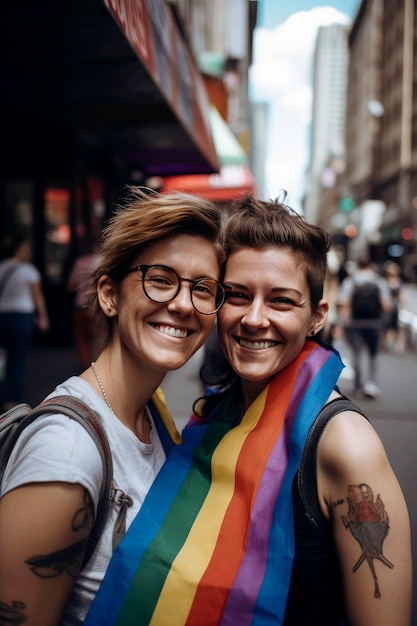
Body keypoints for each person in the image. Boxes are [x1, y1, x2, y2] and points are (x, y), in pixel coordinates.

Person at [85, 195, 412, 626]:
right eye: (238, 295)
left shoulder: (343, 441)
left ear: (317, 317)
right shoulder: (216, 412)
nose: (254, 318)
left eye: (281, 301)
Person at [0, 187, 226, 626]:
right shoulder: (65, 454)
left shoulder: (150, 415)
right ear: (109, 294)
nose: (182, 304)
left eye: (203, 288)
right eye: (161, 279)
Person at [0, 233, 49, 411]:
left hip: (3, 316)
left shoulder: (2, 267)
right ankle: (13, 399)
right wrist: (43, 316)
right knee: (19, 358)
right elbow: (38, 296)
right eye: (26, 249)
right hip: (22, 316)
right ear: (19, 250)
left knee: (4, 357)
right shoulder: (29, 270)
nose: (28, 252)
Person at [338, 257, 392, 399]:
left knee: (357, 353)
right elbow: (386, 305)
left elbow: (345, 303)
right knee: (373, 355)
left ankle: (358, 386)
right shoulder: (379, 281)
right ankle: (371, 384)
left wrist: (342, 321)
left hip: (355, 323)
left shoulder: (351, 281)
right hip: (374, 323)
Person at [67, 239, 105, 371]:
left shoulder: (79, 262)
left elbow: (71, 284)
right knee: (98, 336)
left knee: (82, 338)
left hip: (80, 305)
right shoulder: (101, 261)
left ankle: (85, 366)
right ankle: (96, 365)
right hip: (96, 305)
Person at [382, 261, 405, 355]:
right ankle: (385, 344)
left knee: (396, 327)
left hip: (395, 307)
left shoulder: (399, 281)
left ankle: (397, 346)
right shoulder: (384, 281)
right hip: (387, 306)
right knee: (386, 326)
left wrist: (402, 305)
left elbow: (401, 295)